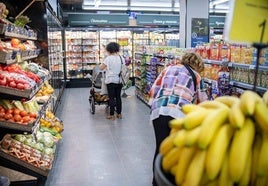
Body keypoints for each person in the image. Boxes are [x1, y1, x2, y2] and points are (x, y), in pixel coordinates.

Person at [149, 52, 207, 185]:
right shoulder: (196, 76)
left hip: (158, 111)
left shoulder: (168, 68)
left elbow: (153, 90)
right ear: (197, 65)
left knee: (160, 148)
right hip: (178, 115)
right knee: (174, 150)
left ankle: (156, 182)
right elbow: (203, 102)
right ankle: (170, 181)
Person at [99, 42, 124, 120]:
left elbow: (101, 68)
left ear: (109, 50)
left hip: (111, 80)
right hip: (119, 80)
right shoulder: (121, 57)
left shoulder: (108, 58)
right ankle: (119, 114)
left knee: (111, 97)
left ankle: (112, 115)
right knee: (118, 97)